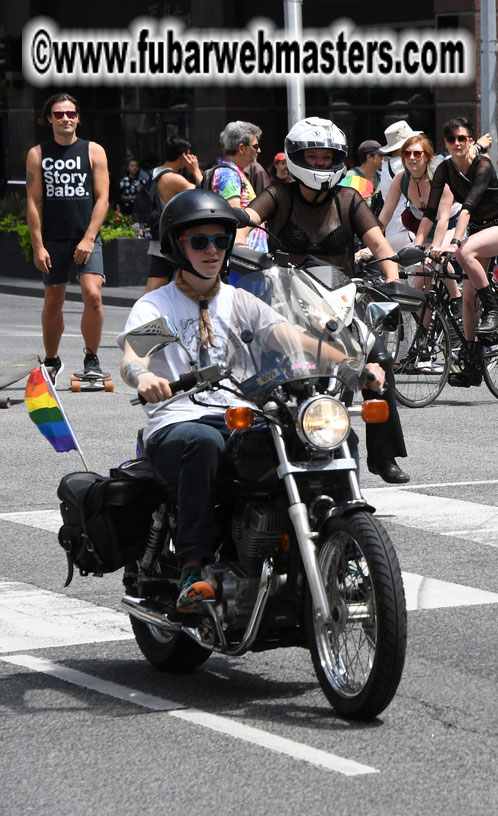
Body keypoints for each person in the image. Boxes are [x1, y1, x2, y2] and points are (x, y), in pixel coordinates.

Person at [119, 190, 354, 612]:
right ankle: (194, 566)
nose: (212, 250)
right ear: (178, 246)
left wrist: (351, 361)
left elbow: (290, 338)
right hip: (177, 420)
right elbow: (133, 357)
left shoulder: (240, 301)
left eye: (221, 240)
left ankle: (337, 543)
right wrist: (146, 377)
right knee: (203, 444)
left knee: (316, 433)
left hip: (240, 414)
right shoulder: (158, 306)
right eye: (199, 241)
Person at [243, 116, 410, 483]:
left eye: (327, 157)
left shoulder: (348, 199)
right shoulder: (279, 195)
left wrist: (393, 283)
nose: (320, 164)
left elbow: (380, 246)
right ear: (296, 157)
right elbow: (247, 221)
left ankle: (383, 457)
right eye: (313, 157)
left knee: (379, 361)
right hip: (286, 305)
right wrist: (237, 242)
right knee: (265, 376)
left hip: (338, 305)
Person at [25, 92, 110, 384]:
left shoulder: (93, 151)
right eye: (59, 114)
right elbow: (34, 203)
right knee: (53, 301)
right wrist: (38, 245)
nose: (65, 119)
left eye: (70, 114)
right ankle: (52, 359)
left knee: (93, 295)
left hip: (86, 236)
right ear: (49, 118)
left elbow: (102, 199)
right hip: (53, 239)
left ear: (78, 118)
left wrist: (88, 239)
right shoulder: (38, 154)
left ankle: (92, 358)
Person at [415, 117, 498, 354]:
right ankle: (472, 355)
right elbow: (430, 212)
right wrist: (418, 244)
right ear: (446, 143)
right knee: (468, 296)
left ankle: (494, 311)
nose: (457, 143)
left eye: (462, 138)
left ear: (469, 140)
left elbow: (467, 208)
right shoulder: (444, 169)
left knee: (463, 251)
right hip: (480, 230)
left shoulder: (483, 165)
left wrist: (453, 243)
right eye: (451, 139)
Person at [142, 135, 205, 294]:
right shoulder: (173, 179)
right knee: (168, 286)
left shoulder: (157, 172)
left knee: (157, 286)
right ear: (184, 155)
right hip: (171, 242)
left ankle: (144, 316)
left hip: (160, 239)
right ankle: (143, 316)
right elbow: (205, 193)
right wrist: (196, 170)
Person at [210, 121, 268, 253]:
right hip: (243, 260)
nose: (259, 150)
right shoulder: (228, 174)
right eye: (255, 146)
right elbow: (234, 218)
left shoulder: (233, 172)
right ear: (241, 148)